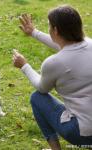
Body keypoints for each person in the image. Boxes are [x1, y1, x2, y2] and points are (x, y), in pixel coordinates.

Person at [12, 5, 92, 149]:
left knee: (37, 98)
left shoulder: (54, 63)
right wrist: (34, 33)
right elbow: (67, 47)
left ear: (55, 30)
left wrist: (24, 66)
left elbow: (42, 88)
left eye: (49, 26)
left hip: (81, 132)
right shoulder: (90, 44)